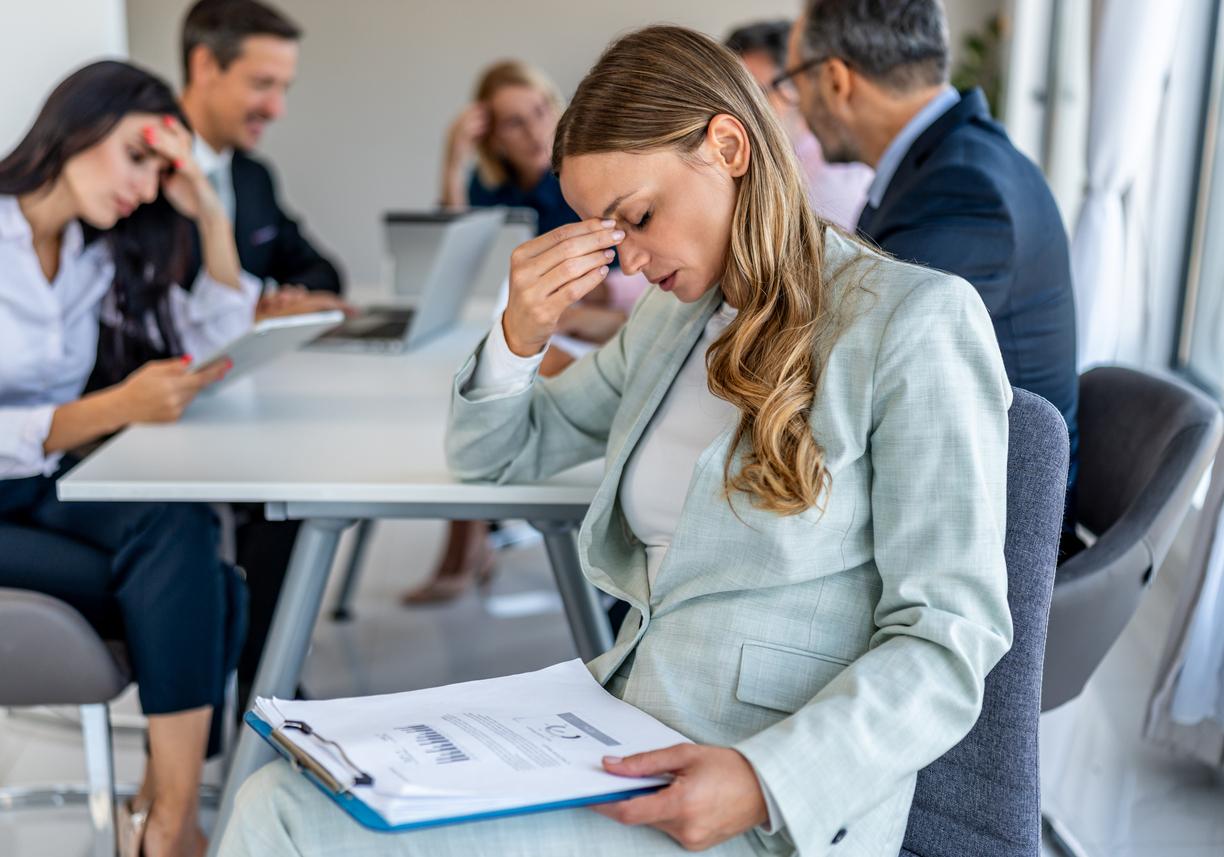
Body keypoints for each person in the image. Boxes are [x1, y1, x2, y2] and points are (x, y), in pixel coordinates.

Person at [220, 25, 1013, 856]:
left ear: (729, 147)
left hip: (759, 802)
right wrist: (519, 335)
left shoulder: (911, 321)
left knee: (282, 813)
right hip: (617, 737)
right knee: (303, 785)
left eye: (637, 217)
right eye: (606, 232)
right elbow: (498, 454)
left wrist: (763, 779)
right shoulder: (675, 319)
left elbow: (948, 635)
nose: (627, 263)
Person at [0, 60, 256, 857]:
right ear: (79, 125)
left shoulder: (95, 252)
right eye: (138, 158)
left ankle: (164, 814)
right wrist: (113, 407)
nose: (147, 189)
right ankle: (167, 823)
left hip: (34, 486)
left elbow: (217, 344)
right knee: (209, 588)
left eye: (160, 170)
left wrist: (208, 211)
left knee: (179, 525)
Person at [784, 0, 1080, 548]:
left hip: (987, 537)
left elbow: (856, 360)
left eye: (795, 80)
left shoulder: (964, 188)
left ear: (836, 80)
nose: (797, 105)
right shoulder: (953, 163)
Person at [409, 60, 646, 605]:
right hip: (546, 322)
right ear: (493, 137)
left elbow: (625, 274)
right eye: (514, 123)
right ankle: (470, 539)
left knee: (508, 383)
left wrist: (582, 303)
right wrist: (453, 160)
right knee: (482, 373)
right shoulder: (494, 187)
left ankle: (468, 546)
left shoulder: (582, 175)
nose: (536, 130)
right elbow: (452, 258)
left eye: (541, 111)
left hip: (598, 323)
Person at [177, 0, 350, 704]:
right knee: (291, 483)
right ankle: (267, 685)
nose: (275, 107)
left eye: (283, 87)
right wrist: (252, 302)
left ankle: (269, 679)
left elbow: (324, 273)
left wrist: (278, 296)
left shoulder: (251, 178)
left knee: (306, 474)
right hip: (167, 407)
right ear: (204, 65)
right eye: (261, 84)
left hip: (240, 395)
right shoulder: (136, 175)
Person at [725, 19, 872, 230]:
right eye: (732, 97)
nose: (740, 110)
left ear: (798, 88)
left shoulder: (834, 179)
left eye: (757, 94)